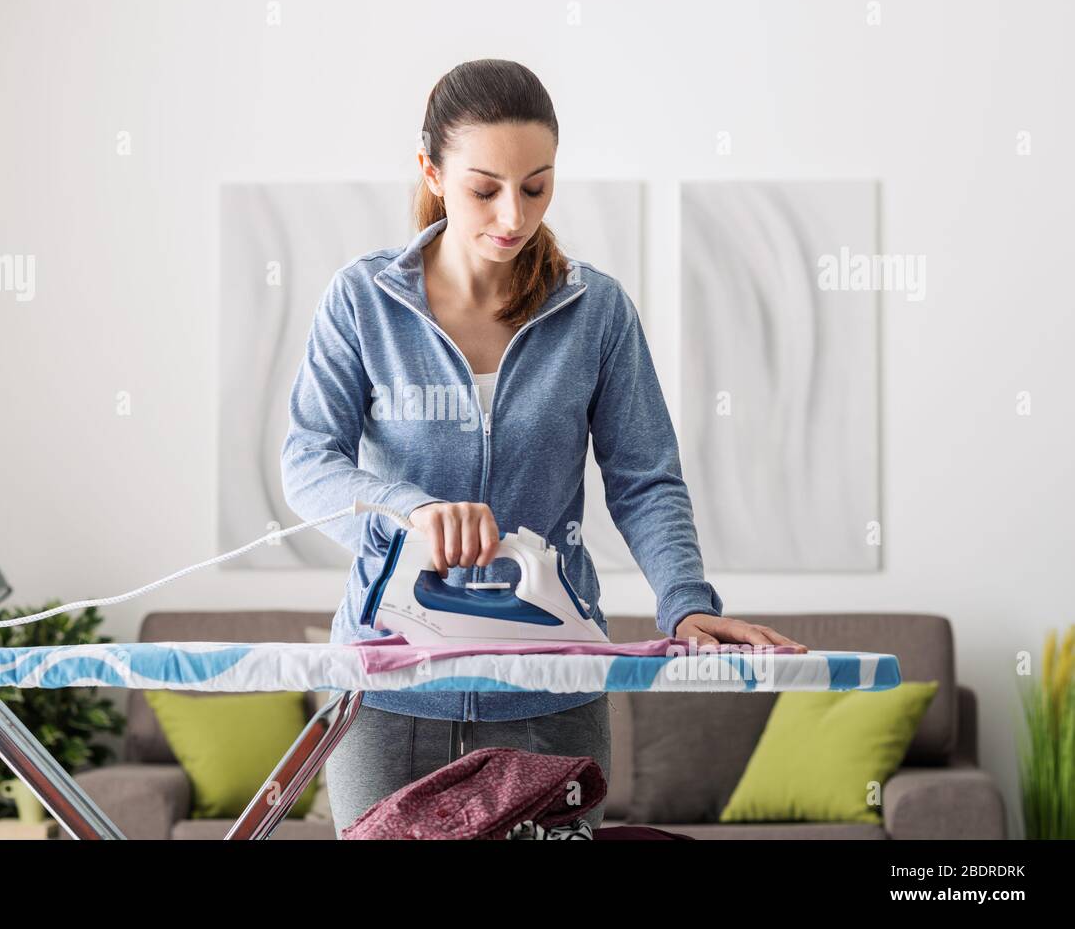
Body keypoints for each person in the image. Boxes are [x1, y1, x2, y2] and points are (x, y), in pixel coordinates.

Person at [280, 59, 806, 836]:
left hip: (551, 696)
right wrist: (412, 514)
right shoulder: (363, 302)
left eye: (536, 186)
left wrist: (686, 604)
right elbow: (308, 460)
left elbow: (645, 480)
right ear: (431, 171)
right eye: (484, 187)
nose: (513, 214)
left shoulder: (595, 314)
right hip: (386, 691)